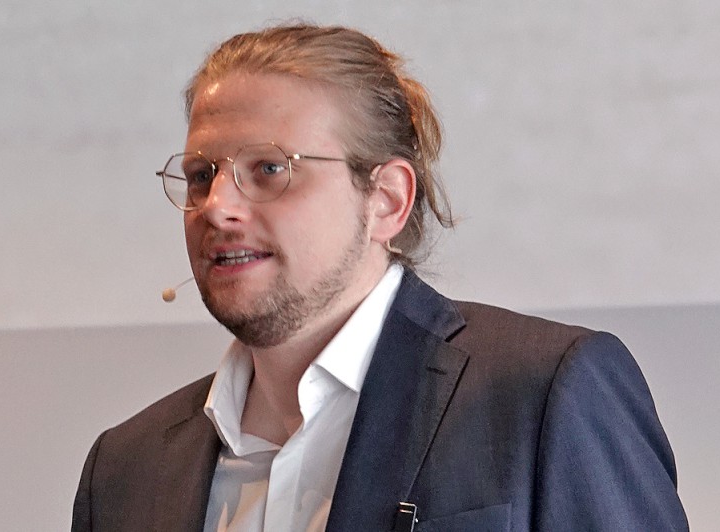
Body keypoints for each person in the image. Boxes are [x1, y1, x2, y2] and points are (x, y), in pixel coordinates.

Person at [72, 23, 688, 531]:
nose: (217, 207)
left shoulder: (544, 393)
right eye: (202, 175)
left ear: (386, 200)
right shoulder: (125, 469)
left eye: (268, 169)